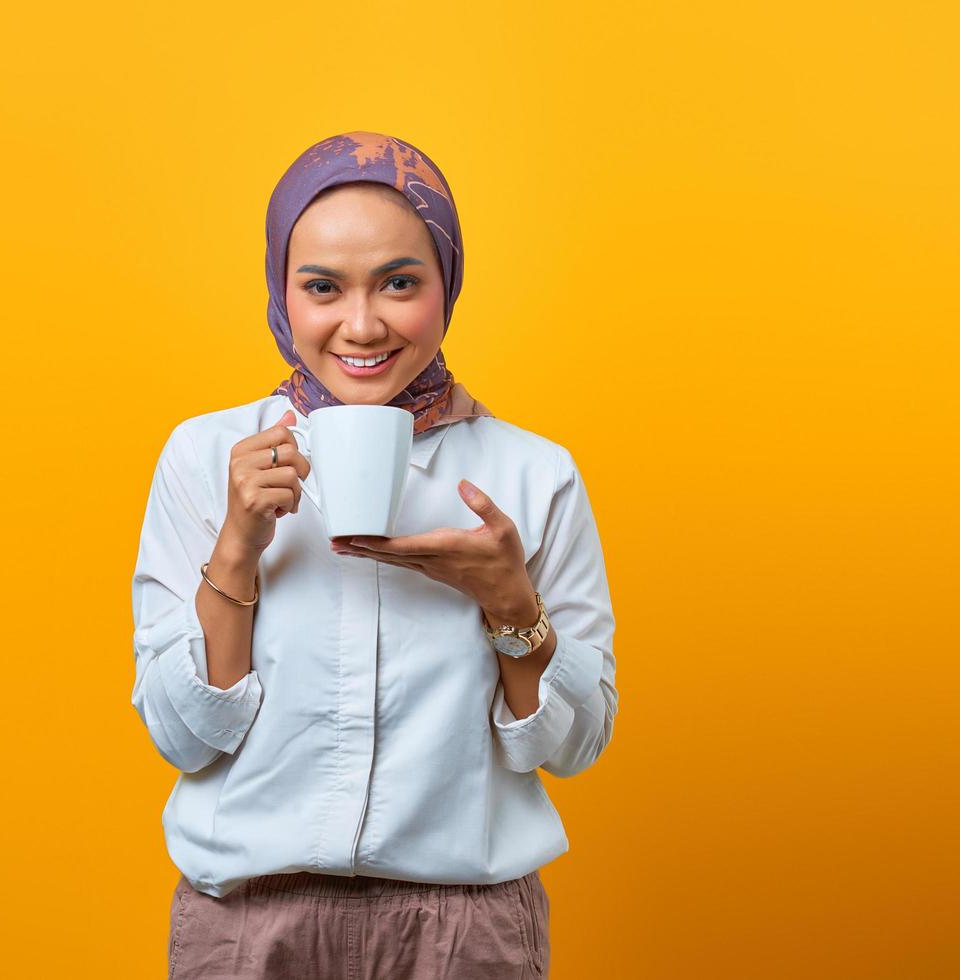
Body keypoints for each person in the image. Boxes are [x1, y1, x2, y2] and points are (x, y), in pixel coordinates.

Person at [131, 131, 619, 980]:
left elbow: (574, 747)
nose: (362, 324)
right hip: (249, 928)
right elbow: (183, 738)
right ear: (283, 293)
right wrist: (239, 546)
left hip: (466, 934)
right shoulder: (207, 458)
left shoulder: (533, 475)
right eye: (323, 287)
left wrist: (512, 606)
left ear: (447, 286)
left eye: (400, 282)